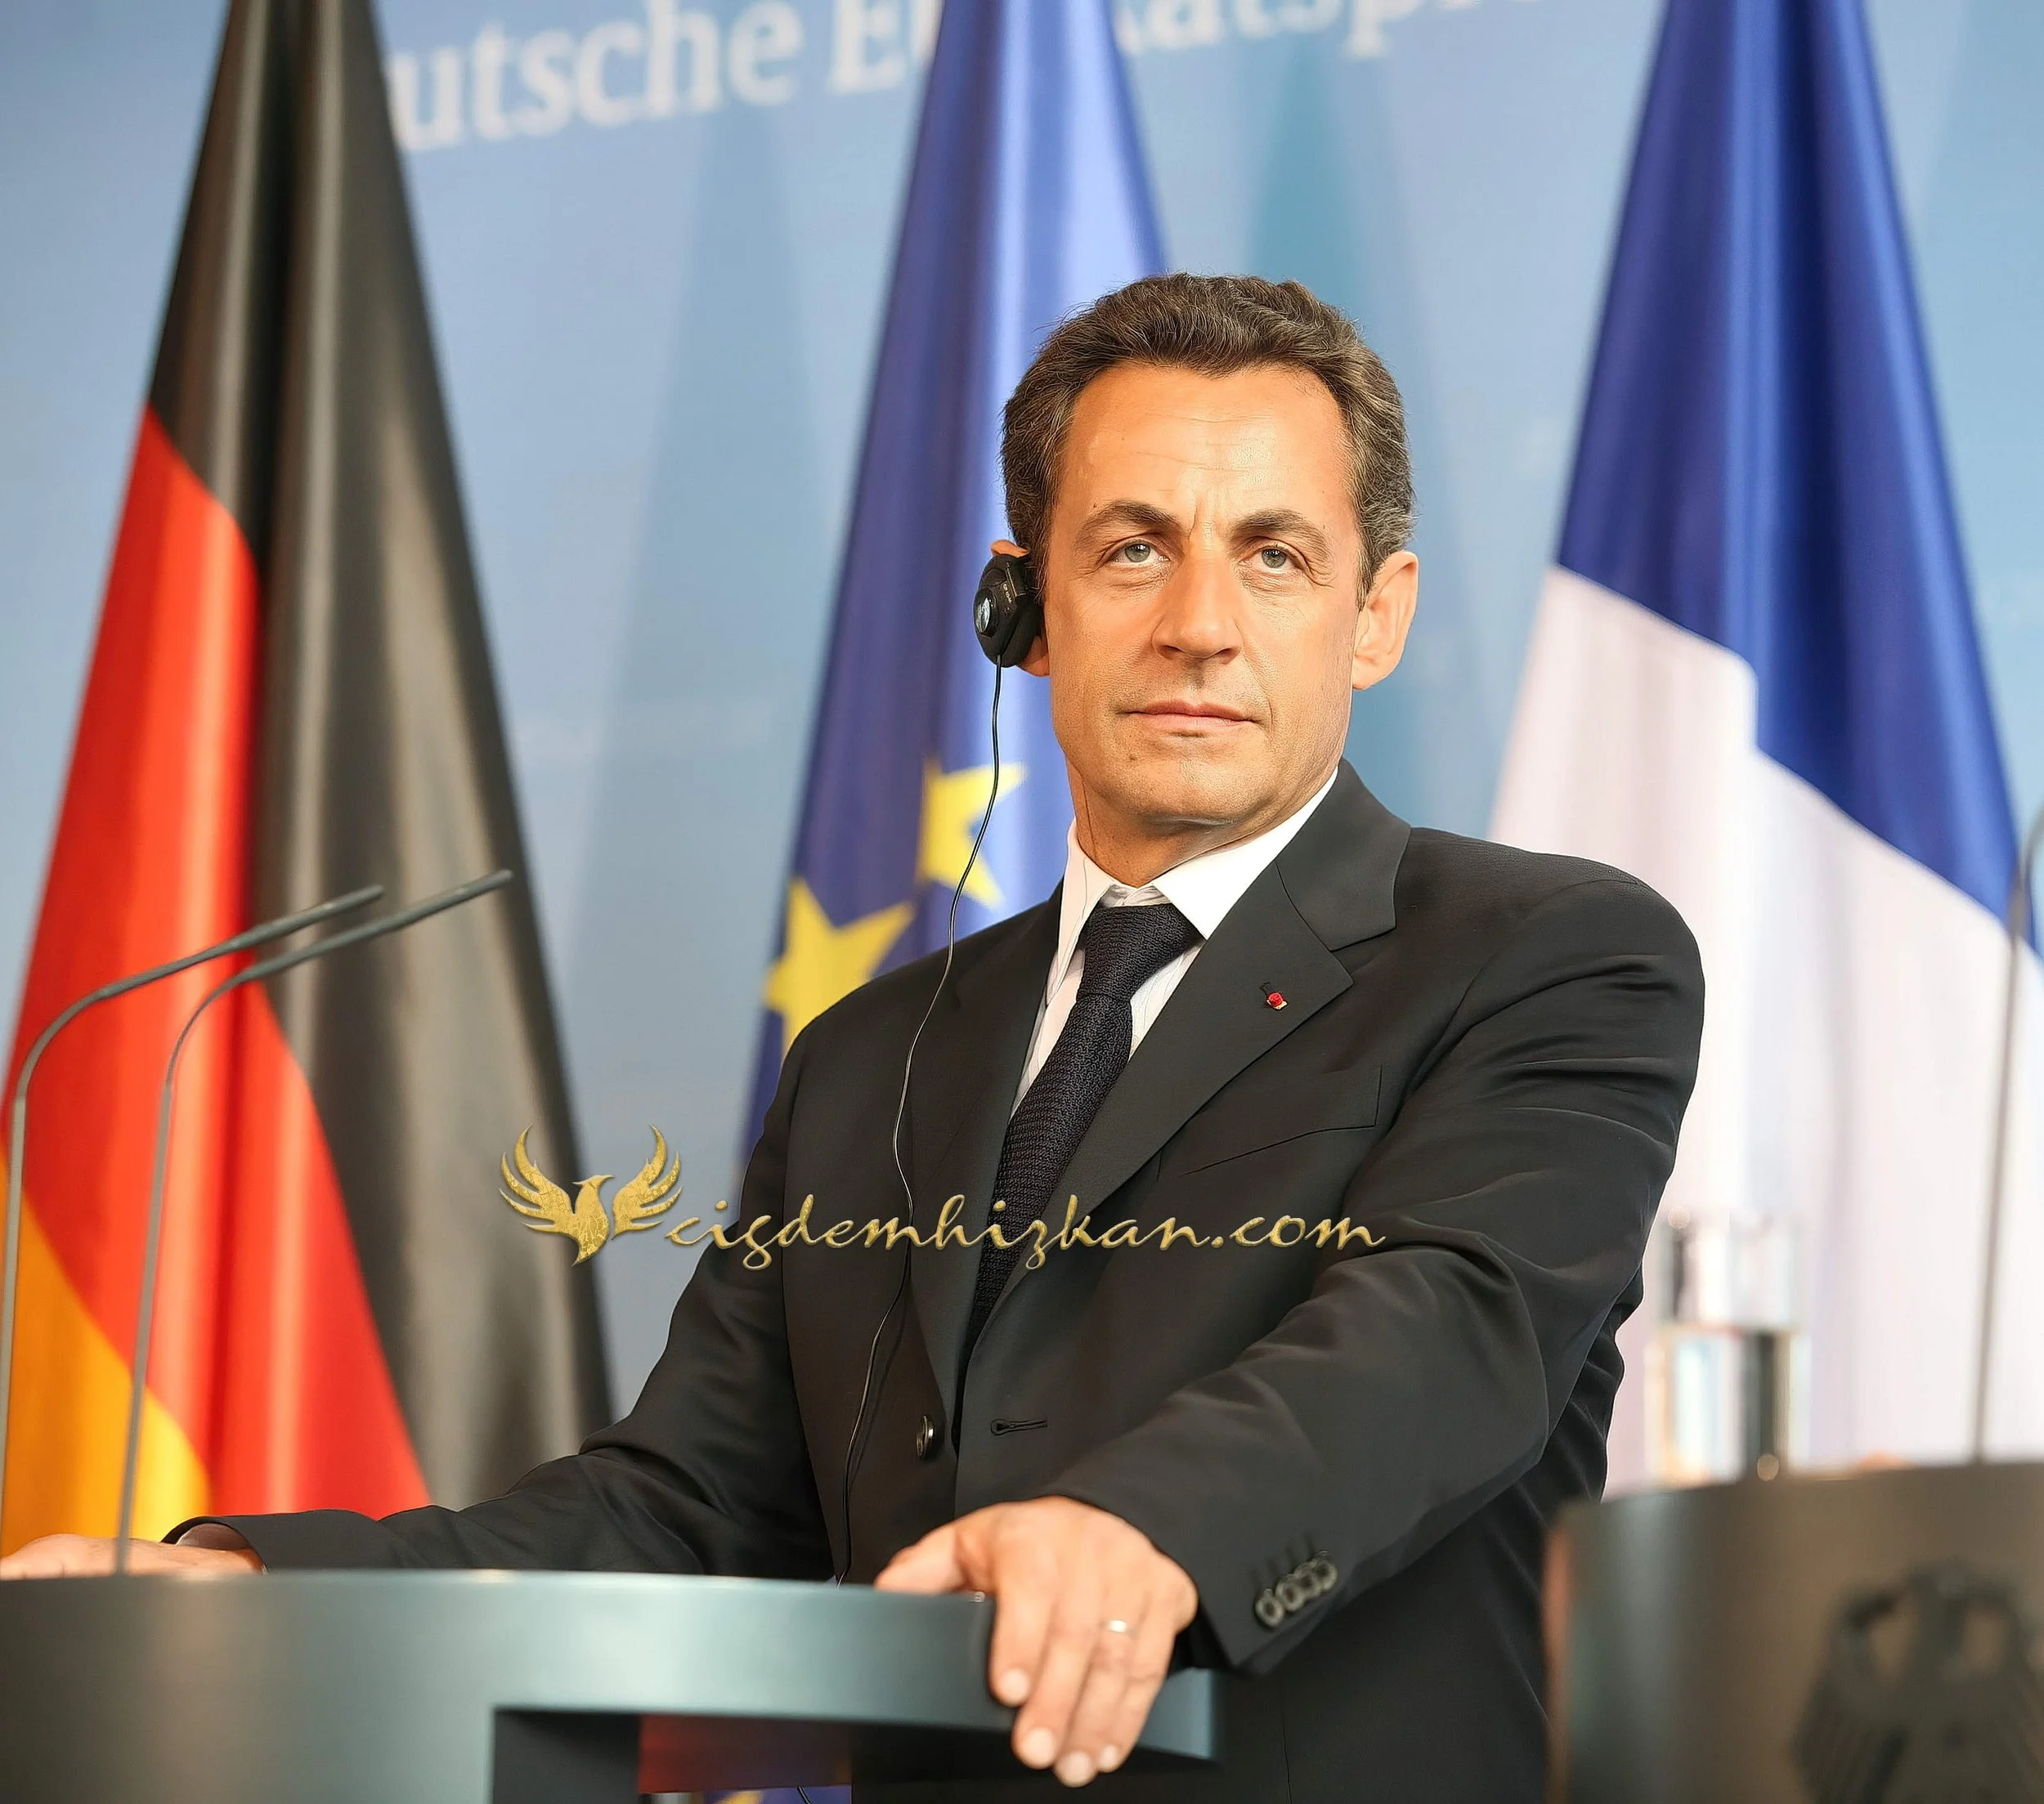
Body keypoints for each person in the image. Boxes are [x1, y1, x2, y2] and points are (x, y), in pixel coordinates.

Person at [2, 275, 1703, 1800]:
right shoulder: (874, 1050)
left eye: (1274, 554)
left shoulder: (1543, 954)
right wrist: (261, 1588)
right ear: (1019, 607)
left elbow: (1438, 1325)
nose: (1200, 621)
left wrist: (1139, 1526)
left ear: (1376, 611)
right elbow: (688, 1509)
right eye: (1132, 547)